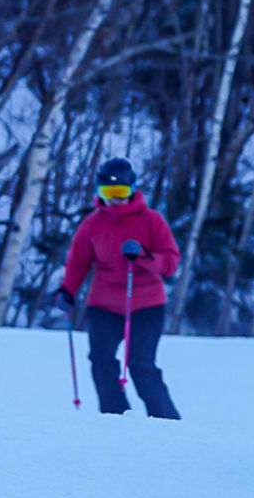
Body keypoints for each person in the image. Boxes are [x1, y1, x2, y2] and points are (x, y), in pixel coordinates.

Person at [57, 158, 183, 419]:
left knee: (140, 365)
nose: (115, 200)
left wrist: (145, 257)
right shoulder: (92, 224)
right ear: (99, 192)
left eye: (121, 193)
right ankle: (115, 418)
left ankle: (167, 423)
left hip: (147, 304)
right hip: (104, 304)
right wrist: (67, 291)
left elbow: (171, 263)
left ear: (132, 190)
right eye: (108, 193)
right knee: (101, 361)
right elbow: (78, 262)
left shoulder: (152, 221)